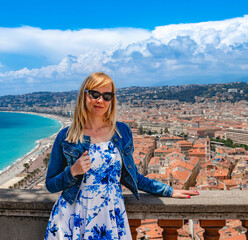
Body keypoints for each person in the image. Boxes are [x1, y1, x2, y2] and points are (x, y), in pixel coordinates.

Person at [44, 72, 199, 240]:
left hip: (110, 214)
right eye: (94, 94)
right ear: (84, 95)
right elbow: (51, 184)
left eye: (107, 96)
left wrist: (168, 190)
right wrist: (72, 171)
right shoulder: (66, 136)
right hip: (73, 215)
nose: (100, 100)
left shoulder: (122, 131)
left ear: (112, 99)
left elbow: (131, 176)